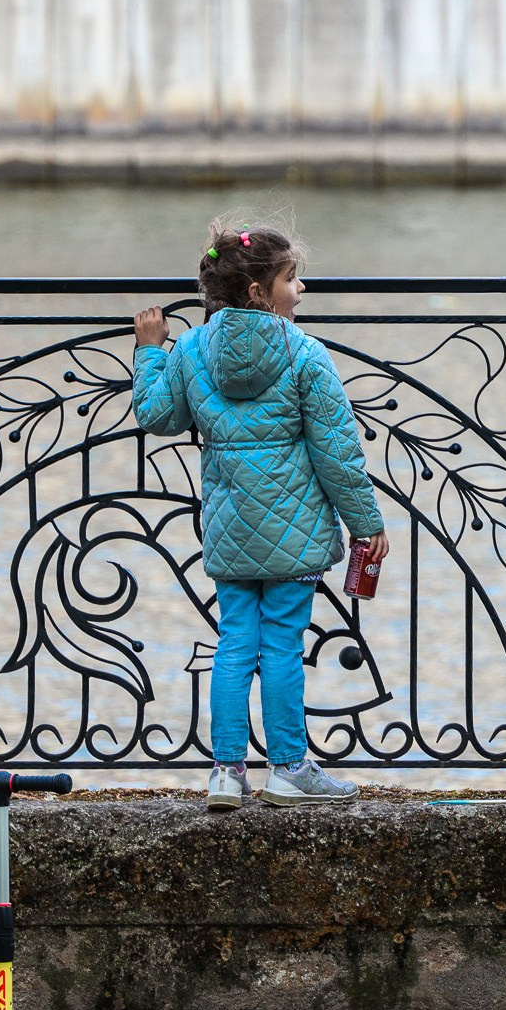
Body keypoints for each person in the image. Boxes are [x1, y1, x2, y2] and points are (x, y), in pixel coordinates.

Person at [133, 221, 388, 809]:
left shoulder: (193, 349)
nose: (300, 289)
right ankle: (289, 767)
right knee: (280, 647)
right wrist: (366, 523)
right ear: (258, 291)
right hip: (294, 534)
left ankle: (226, 772)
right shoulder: (305, 354)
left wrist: (149, 351)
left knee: (233, 643)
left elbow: (156, 414)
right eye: (291, 278)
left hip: (229, 527)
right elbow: (338, 453)